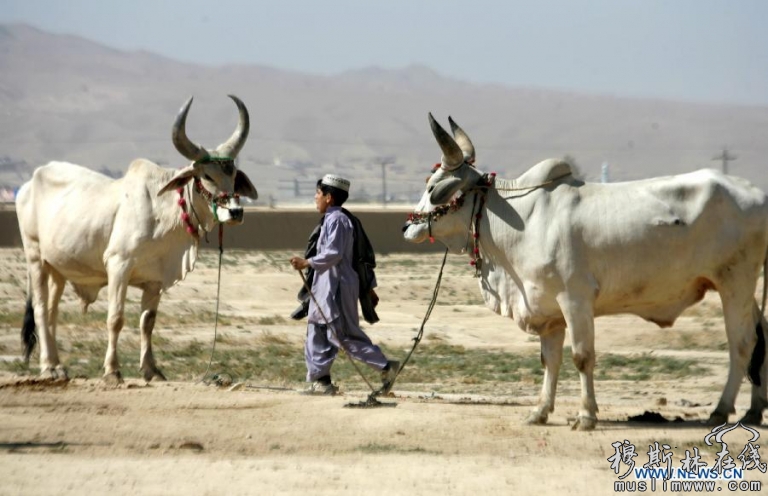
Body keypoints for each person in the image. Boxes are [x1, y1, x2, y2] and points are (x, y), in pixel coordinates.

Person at [289, 174, 399, 395]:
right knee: (317, 331)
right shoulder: (332, 219)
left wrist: (307, 262)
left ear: (329, 197)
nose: (315, 197)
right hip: (324, 287)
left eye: (318, 193)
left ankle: (386, 367)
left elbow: (334, 254)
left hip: (337, 287)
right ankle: (322, 382)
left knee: (342, 336)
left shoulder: (338, 220)